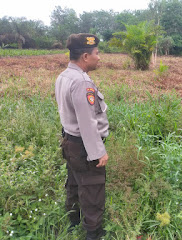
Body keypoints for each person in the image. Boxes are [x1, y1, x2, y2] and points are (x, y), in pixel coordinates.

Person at [55, 33, 109, 240]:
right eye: (96, 53)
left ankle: (73, 222)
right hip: (84, 146)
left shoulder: (64, 76)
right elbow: (87, 122)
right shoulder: (81, 82)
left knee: (75, 184)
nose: (99, 57)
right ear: (85, 56)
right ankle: (93, 233)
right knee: (92, 189)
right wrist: (98, 152)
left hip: (70, 141)